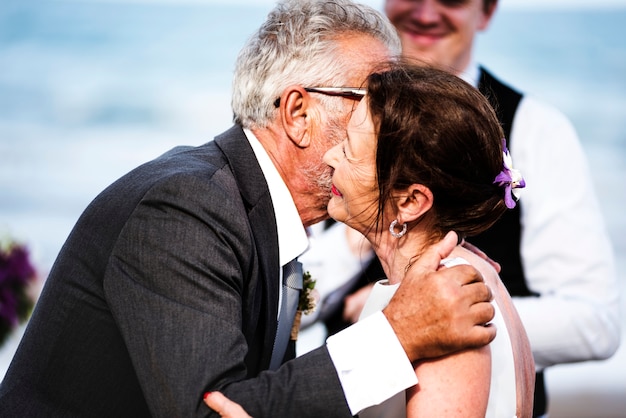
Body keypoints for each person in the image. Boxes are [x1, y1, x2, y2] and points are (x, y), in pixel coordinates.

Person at [0, 1, 497, 417]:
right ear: (299, 114)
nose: (393, 119)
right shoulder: (186, 211)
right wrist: (396, 336)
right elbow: (211, 411)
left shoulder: (259, 207)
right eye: (373, 99)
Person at [310, 0, 621, 416]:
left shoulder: (537, 129)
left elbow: (595, 322)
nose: (426, 11)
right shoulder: (356, 107)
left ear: (487, 11)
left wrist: (438, 312)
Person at [205, 62, 536, 418]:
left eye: (348, 150)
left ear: (410, 202)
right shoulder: (462, 276)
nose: (331, 157)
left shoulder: (447, 305)